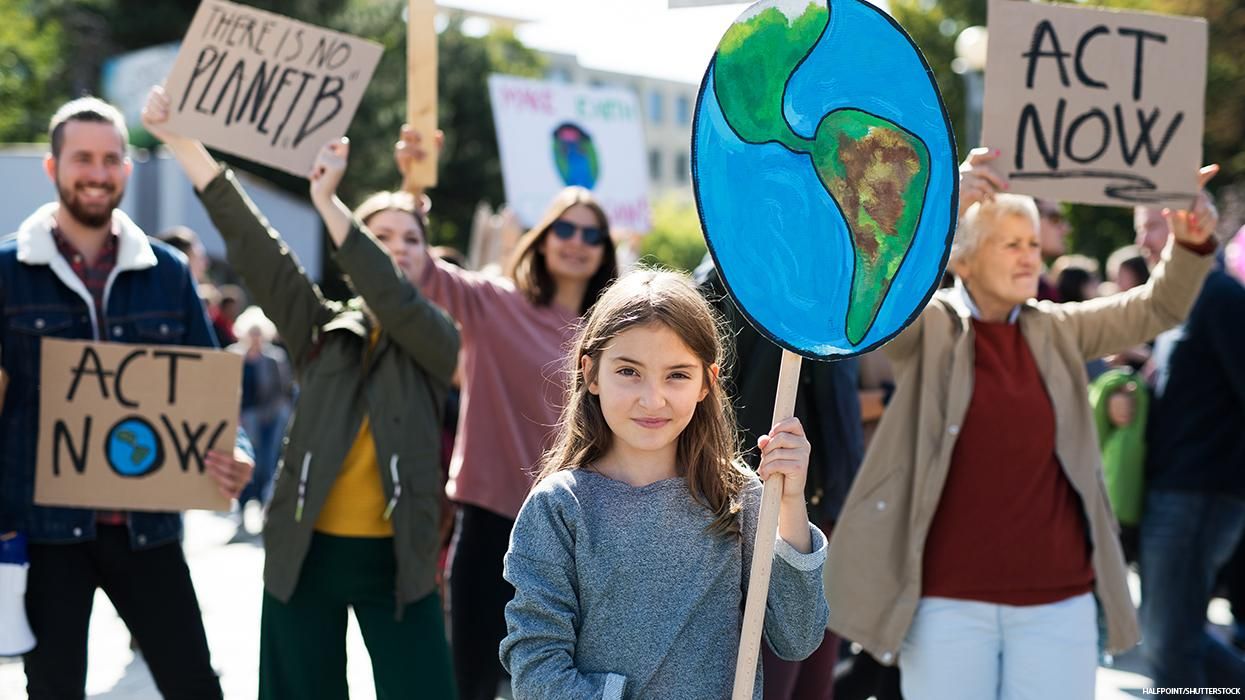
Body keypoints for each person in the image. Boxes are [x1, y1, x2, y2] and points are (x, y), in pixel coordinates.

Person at [825, 147, 1220, 700]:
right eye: (1010, 243)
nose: (1029, 256)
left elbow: (1158, 308)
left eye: (1034, 243)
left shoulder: (1058, 328)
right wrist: (946, 204)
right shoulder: (930, 324)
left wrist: (1191, 239)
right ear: (962, 258)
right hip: (946, 606)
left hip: (1060, 607)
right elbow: (882, 289)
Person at [144, 86, 460, 698]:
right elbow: (254, 245)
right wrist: (181, 141)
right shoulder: (321, 331)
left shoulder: (439, 338)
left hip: (403, 564)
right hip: (303, 555)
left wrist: (328, 201)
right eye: (380, 237)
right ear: (350, 254)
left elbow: (393, 299)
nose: (395, 248)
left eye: (409, 239)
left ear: (429, 259)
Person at [0, 95, 254, 698]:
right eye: (83, 158)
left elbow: (205, 383)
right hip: (45, 531)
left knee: (195, 683)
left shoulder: (167, 271)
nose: (97, 172)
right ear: (53, 166)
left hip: (147, 528)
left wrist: (235, 449)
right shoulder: (6, 272)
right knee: (54, 689)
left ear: (126, 169)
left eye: (111, 159)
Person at [500, 269, 829, 698]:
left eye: (677, 375)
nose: (653, 399)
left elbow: (798, 637)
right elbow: (536, 669)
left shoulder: (735, 496)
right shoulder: (559, 507)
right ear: (592, 373)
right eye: (629, 371)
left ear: (706, 383)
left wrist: (789, 504)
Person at [395, 125, 620, 700]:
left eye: (590, 233)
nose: (576, 241)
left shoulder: (619, 339)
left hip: (577, 534)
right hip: (490, 521)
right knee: (470, 682)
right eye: (564, 228)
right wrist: (413, 192)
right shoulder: (495, 303)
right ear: (543, 238)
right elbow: (418, 272)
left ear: (605, 248)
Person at [697, 258, 863, 700]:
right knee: (772, 675)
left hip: (823, 510)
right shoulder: (727, 278)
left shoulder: (837, 278)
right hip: (755, 511)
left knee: (814, 678)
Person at [1140, 221, 1245, 692]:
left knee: (1168, 643)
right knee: (1171, 639)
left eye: (1153, 228)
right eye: (1139, 228)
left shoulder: (1220, 296)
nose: (1144, 241)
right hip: (1178, 491)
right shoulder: (1176, 300)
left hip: (1201, 494)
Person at [228, 306, 293, 522]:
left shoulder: (275, 358)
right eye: (252, 333)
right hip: (242, 421)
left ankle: (264, 507)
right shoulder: (233, 356)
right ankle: (242, 508)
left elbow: (284, 390)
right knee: (242, 462)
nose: (255, 338)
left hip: (270, 419)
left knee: (267, 463)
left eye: (259, 333)